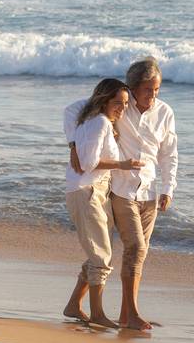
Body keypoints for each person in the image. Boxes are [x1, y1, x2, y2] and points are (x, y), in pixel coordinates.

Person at [64, 57, 178, 330]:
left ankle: (121, 313)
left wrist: (168, 187)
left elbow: (169, 153)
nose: (153, 95)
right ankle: (131, 313)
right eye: (148, 89)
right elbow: (73, 110)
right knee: (133, 249)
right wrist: (73, 145)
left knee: (130, 252)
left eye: (157, 89)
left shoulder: (164, 112)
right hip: (120, 189)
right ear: (134, 87)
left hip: (149, 190)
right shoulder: (119, 105)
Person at [62, 78, 145, 329]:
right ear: (103, 101)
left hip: (96, 190)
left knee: (99, 251)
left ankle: (74, 305)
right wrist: (123, 164)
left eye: (125, 104)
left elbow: (70, 109)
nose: (122, 109)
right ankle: (97, 313)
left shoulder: (97, 120)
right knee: (101, 256)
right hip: (86, 191)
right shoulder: (98, 122)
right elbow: (88, 164)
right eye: (117, 103)